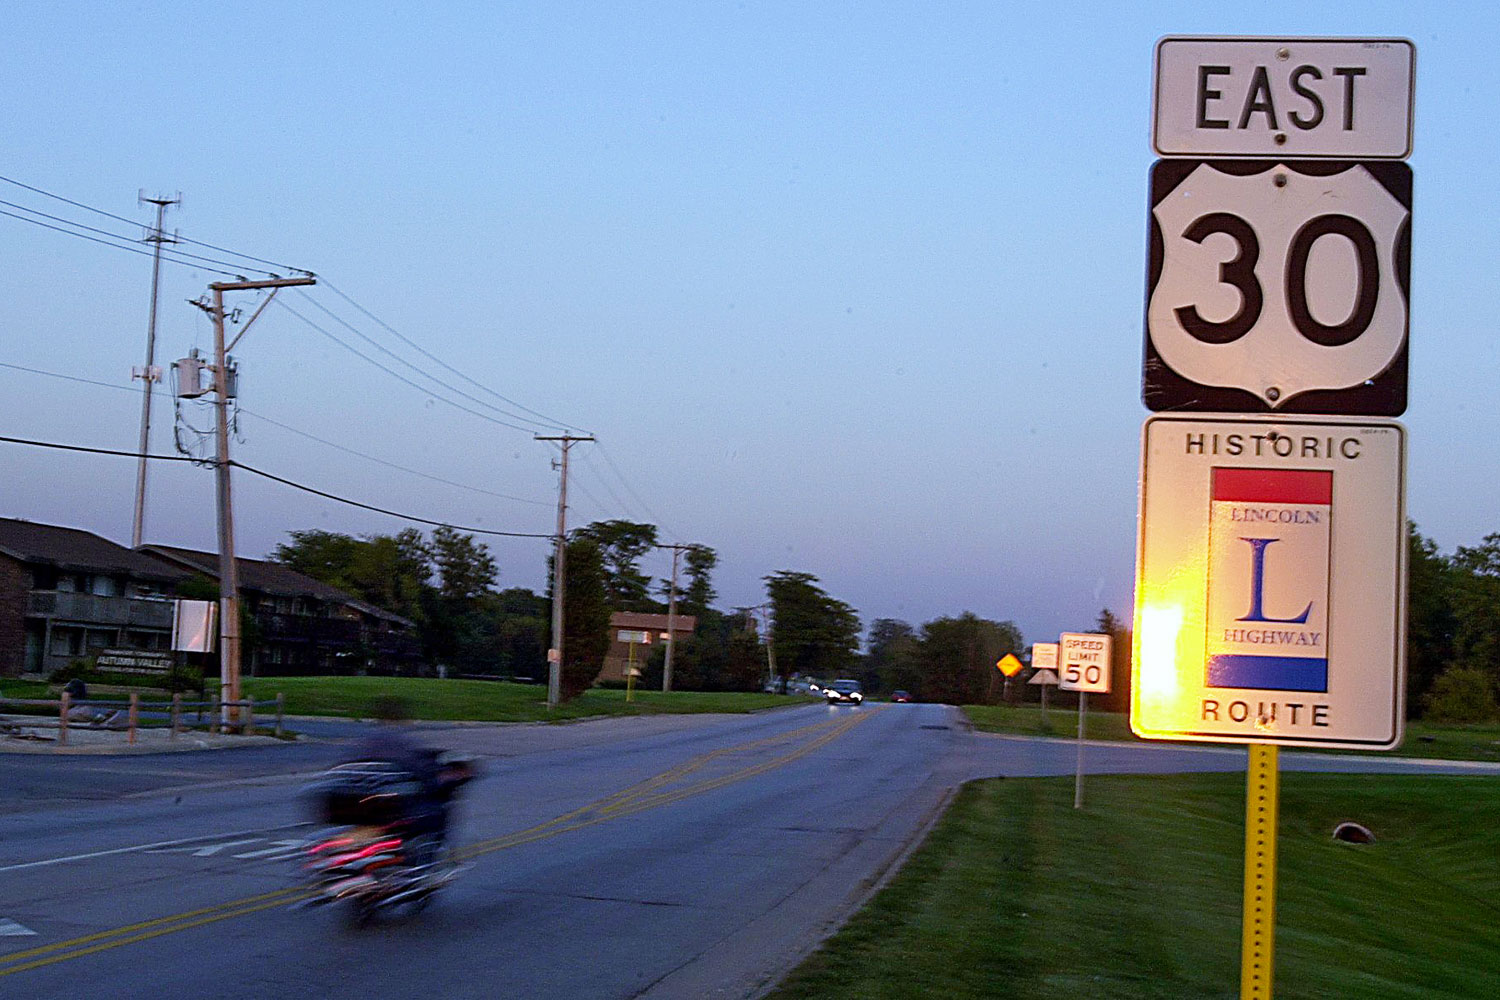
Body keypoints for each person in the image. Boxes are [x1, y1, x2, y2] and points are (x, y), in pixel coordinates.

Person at [348, 695, 449, 863]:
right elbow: (423, 771)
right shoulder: (403, 742)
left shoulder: (364, 741)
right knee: (435, 812)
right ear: (401, 717)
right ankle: (421, 863)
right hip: (392, 807)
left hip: (358, 803)